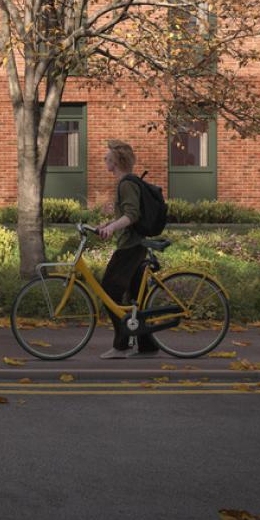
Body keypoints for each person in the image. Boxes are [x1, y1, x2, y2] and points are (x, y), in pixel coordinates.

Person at [96, 139, 159, 359]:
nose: (105, 159)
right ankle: (147, 345)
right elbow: (126, 215)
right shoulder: (125, 183)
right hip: (134, 244)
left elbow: (132, 215)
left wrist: (112, 227)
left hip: (131, 247)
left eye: (108, 157)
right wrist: (106, 226)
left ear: (116, 161)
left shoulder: (126, 184)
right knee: (134, 297)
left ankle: (121, 346)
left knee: (109, 291)